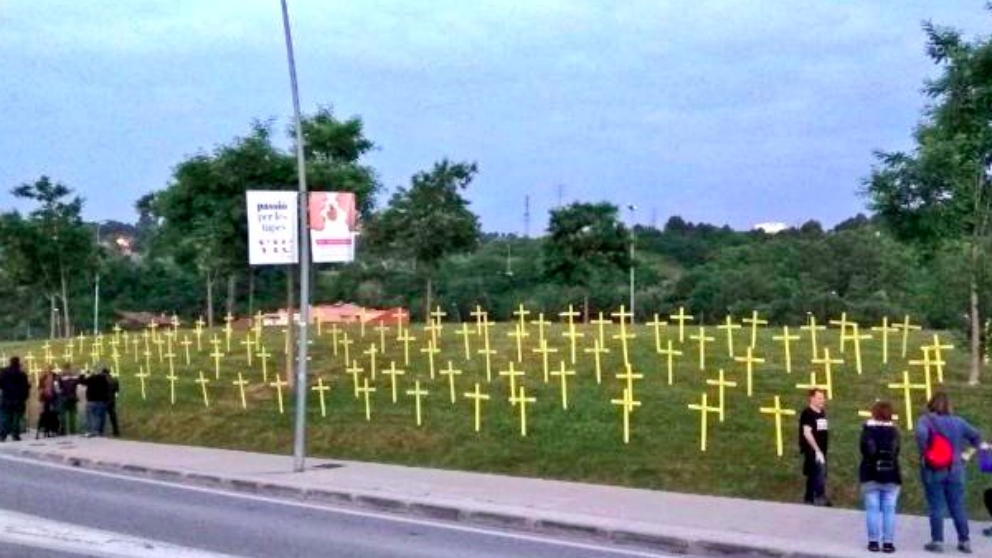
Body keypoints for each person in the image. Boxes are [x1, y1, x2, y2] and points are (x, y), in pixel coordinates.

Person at [916, 391, 986, 554]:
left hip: (933, 469)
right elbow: (977, 437)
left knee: (936, 505)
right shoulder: (959, 422)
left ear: (931, 403)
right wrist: (966, 455)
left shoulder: (924, 421)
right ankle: (964, 540)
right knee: (958, 505)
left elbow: (920, 435)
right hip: (956, 469)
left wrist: (926, 452)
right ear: (949, 405)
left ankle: (937, 541)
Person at [860, 400, 902, 553]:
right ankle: (888, 543)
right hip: (891, 474)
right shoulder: (895, 432)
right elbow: (896, 452)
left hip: (870, 474)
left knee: (872, 509)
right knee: (889, 511)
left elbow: (865, 451)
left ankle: (873, 542)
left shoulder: (867, 430)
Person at [799, 388, 831, 506]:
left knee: (814, 474)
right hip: (812, 450)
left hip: (821, 450)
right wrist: (817, 450)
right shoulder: (807, 413)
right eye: (819, 398)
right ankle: (820, 496)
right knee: (819, 472)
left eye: (823, 398)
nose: (823, 400)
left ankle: (809, 498)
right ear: (812, 399)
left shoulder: (822, 413)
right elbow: (807, 433)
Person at [0, 357, 30, 442]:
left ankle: (2, 435)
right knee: (16, 418)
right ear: (18, 363)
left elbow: (1, 384)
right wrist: (24, 398)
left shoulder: (4, 373)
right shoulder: (22, 374)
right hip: (18, 399)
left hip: (6, 398)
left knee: (5, 417)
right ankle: (15, 435)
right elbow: (25, 388)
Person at [78, 367, 111, 437]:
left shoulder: (91, 378)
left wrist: (82, 374)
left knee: (90, 417)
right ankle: (98, 431)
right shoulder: (104, 380)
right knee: (99, 417)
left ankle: (91, 431)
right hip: (101, 401)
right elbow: (107, 391)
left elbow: (81, 381)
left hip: (91, 401)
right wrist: (106, 400)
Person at [36, 366, 61, 437]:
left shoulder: (54, 377)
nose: (47, 370)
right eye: (46, 369)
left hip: (52, 398)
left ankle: (53, 429)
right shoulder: (43, 377)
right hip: (46, 398)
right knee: (47, 414)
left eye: (49, 369)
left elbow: (57, 388)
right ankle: (47, 428)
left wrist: (56, 392)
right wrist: (41, 395)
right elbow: (40, 388)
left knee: (53, 414)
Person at [58, 363, 80, 435]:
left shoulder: (60, 376)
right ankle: (73, 430)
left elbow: (58, 388)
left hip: (63, 396)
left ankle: (63, 430)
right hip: (73, 397)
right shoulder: (74, 376)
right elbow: (77, 385)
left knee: (63, 414)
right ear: (70, 367)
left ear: (63, 368)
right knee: (72, 414)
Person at [105, 368, 120, 437]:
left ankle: (102, 431)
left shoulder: (103, 380)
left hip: (104, 400)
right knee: (113, 416)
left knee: (102, 416)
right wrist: (114, 397)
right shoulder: (114, 380)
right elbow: (117, 392)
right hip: (112, 400)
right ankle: (116, 431)